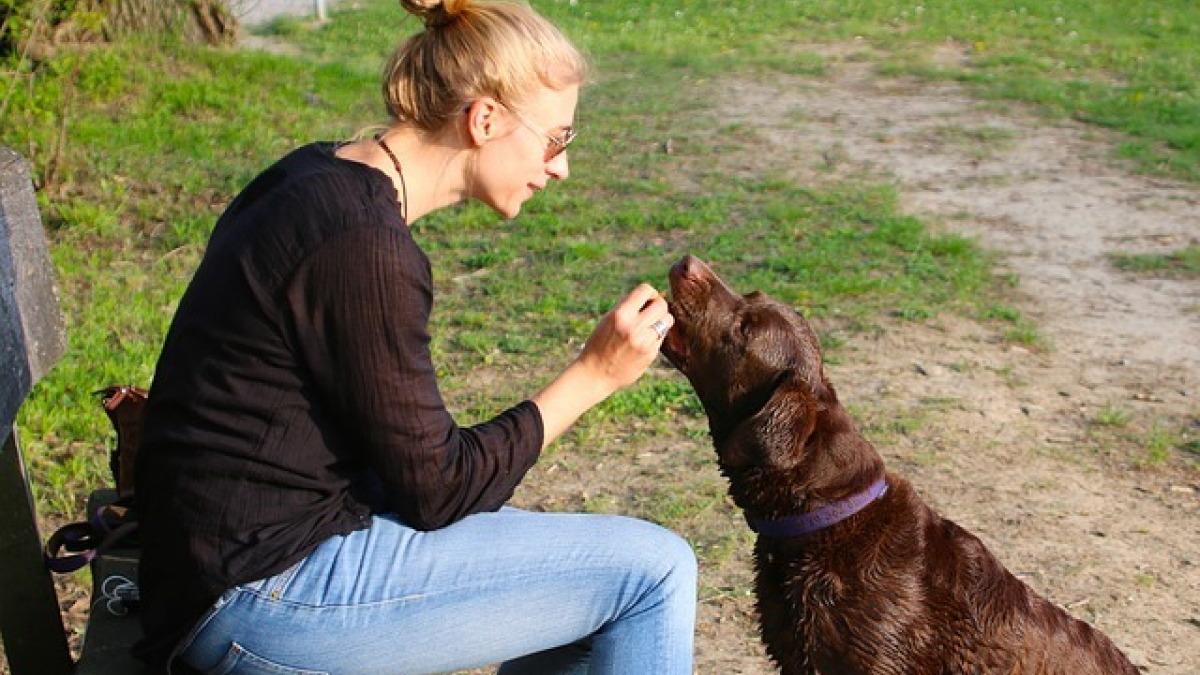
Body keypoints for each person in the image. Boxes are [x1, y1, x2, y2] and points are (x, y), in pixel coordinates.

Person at [132, 1, 697, 673]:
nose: (560, 168)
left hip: (227, 566)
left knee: (587, 575)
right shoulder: (364, 247)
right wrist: (595, 374)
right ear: (485, 119)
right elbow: (437, 490)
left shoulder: (317, 179)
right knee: (654, 572)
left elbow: (411, 470)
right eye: (556, 139)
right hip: (255, 595)